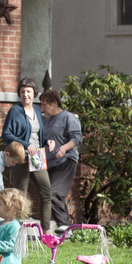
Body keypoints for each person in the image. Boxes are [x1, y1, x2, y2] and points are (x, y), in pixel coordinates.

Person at [1, 78, 55, 234]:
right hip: (20, 156)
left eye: (29, 91)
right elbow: (6, 134)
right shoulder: (15, 111)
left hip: (37, 155)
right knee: (19, 195)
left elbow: (36, 136)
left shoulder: (38, 111)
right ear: (19, 93)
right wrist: (25, 144)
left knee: (46, 192)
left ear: (34, 93)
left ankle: (46, 231)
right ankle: (14, 230)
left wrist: (47, 141)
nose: (25, 95)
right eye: (23, 91)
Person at [40, 89, 83, 234]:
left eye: (45, 105)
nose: (42, 108)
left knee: (53, 193)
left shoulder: (68, 117)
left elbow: (77, 138)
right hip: (50, 164)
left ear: (54, 103)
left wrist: (64, 148)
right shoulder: (47, 122)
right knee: (53, 194)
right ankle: (67, 228)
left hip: (66, 160)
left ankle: (65, 227)